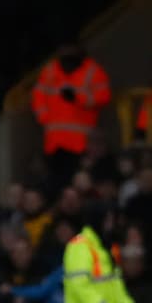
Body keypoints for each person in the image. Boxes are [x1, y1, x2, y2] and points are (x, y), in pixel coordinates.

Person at [31, 41, 112, 192]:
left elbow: (103, 97)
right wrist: (44, 118)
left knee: (77, 183)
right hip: (54, 142)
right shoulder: (50, 70)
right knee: (55, 183)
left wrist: (77, 97)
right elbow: (38, 96)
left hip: (80, 143)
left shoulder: (93, 71)